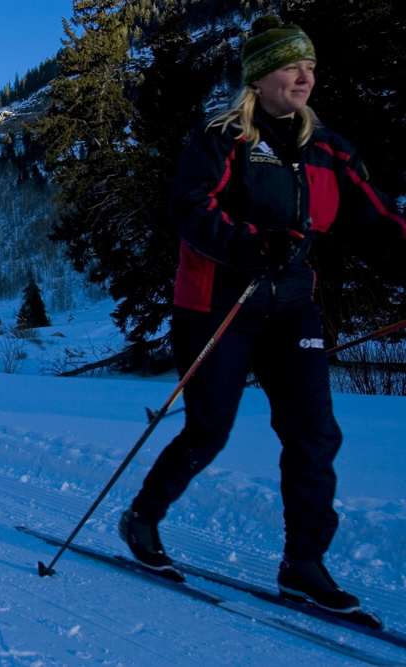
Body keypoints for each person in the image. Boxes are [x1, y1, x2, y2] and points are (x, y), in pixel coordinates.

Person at [119, 16, 406, 614]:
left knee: (313, 432)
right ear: (259, 76)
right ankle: (143, 519)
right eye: (291, 66)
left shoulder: (329, 149)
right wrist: (249, 244)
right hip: (217, 305)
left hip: (292, 307)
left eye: (311, 68)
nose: (305, 77)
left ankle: (304, 565)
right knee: (210, 429)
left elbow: (376, 221)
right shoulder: (223, 137)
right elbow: (189, 208)